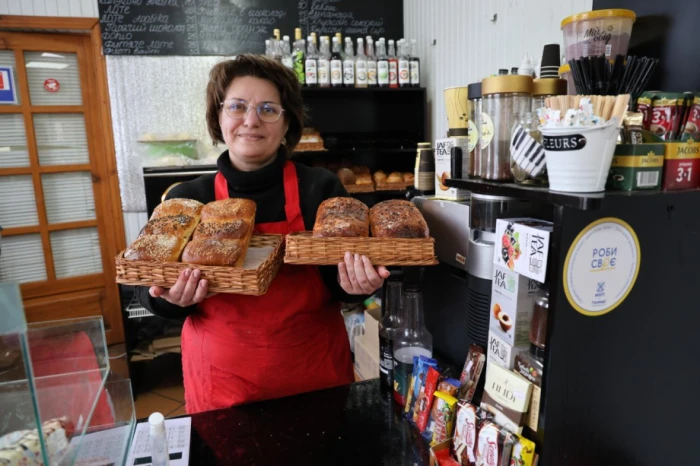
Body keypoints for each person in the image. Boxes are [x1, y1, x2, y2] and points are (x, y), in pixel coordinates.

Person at [137, 54, 389, 414]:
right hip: (222, 385)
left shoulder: (320, 188)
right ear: (218, 117)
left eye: (269, 109)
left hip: (313, 375)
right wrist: (168, 298)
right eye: (237, 107)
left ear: (287, 123)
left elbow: (338, 280)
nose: (251, 121)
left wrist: (355, 285)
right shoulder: (187, 200)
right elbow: (143, 286)